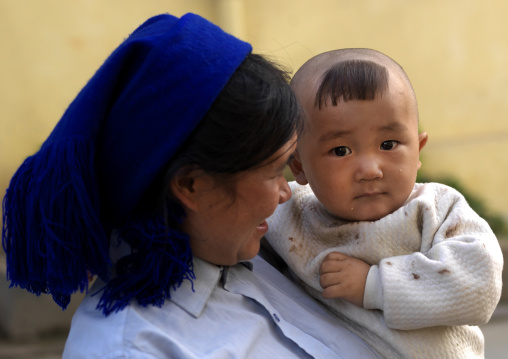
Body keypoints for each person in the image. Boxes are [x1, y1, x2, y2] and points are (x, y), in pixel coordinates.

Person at [1, 14, 379, 358]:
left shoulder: (263, 254)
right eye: (273, 170)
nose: (285, 193)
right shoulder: (134, 350)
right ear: (191, 185)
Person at [264, 48, 504, 359]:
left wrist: (374, 284)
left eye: (388, 145)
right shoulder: (290, 215)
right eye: (341, 151)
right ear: (298, 167)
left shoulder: (437, 208)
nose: (370, 170)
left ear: (418, 150)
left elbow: (479, 286)